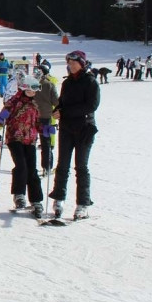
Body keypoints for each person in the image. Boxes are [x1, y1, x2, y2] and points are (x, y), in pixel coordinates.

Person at [48, 50, 100, 220]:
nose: (70, 65)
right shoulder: (67, 83)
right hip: (66, 128)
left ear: (82, 64)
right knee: (62, 164)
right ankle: (58, 198)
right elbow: (62, 102)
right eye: (69, 63)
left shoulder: (91, 81)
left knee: (81, 166)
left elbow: (91, 106)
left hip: (84, 128)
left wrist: (65, 112)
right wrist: (57, 111)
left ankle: (83, 203)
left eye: (74, 63)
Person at [0, 74, 45, 217]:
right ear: (24, 88)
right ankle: (19, 195)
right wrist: (2, 116)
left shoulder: (34, 105)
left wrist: (45, 129)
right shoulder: (15, 102)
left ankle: (36, 200)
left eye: (35, 91)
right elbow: (3, 115)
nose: (33, 93)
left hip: (30, 140)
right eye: (31, 90)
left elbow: (37, 123)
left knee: (32, 169)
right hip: (15, 138)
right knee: (21, 166)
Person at [33, 61, 60, 173]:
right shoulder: (49, 84)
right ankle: (47, 166)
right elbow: (56, 101)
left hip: (34, 116)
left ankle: (32, 166)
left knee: (31, 142)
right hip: (45, 116)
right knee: (46, 143)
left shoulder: (32, 84)